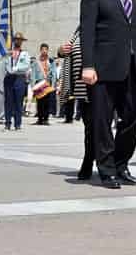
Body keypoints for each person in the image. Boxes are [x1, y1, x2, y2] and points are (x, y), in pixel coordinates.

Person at [80, 0, 136, 189]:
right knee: (102, 120)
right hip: (104, 68)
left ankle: (121, 163)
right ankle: (107, 169)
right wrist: (88, 65)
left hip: (135, 68)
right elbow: (87, 31)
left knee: (135, 115)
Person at [58, 28, 94, 179]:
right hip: (84, 88)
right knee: (90, 128)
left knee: (100, 128)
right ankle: (89, 161)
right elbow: (69, 48)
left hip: (105, 83)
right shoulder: (80, 30)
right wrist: (61, 51)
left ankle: (112, 163)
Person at [4, 33, 31, 131]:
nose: (18, 41)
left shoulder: (25, 54)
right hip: (9, 78)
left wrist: (16, 69)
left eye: (20, 40)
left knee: (18, 102)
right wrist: (10, 69)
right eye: (16, 39)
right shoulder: (9, 53)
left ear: (22, 41)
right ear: (14, 40)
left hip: (19, 78)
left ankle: (18, 124)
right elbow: (5, 63)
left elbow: (26, 66)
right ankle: (7, 123)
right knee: (8, 102)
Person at [31, 43, 57, 125]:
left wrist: (53, 84)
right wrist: (33, 85)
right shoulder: (36, 62)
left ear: (48, 50)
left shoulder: (51, 61)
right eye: (43, 49)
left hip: (47, 83)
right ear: (40, 50)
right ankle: (40, 118)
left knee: (47, 102)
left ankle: (46, 119)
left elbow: (54, 73)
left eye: (46, 49)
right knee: (40, 101)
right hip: (39, 83)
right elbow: (33, 74)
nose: (44, 51)